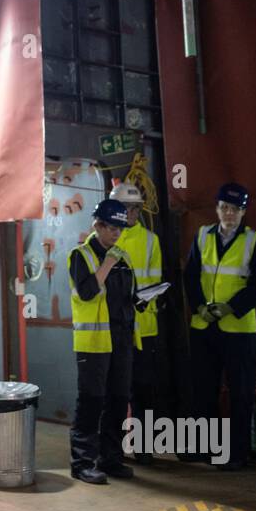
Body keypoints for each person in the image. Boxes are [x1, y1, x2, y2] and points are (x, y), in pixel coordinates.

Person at [185, 183, 256, 470]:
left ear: (243, 212)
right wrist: (200, 307)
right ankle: (201, 448)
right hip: (204, 326)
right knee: (203, 390)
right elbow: (191, 276)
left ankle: (236, 453)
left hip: (239, 330)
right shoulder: (202, 236)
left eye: (234, 209)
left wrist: (230, 307)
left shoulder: (254, 241)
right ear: (217, 209)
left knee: (240, 393)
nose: (228, 213)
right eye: (224, 208)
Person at [68, 199, 140, 484]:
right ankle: (82, 462)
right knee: (91, 401)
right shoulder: (81, 255)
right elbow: (86, 292)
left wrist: (141, 300)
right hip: (93, 342)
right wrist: (108, 262)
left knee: (119, 399)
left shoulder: (124, 257)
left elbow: (126, 295)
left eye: (120, 228)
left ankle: (111, 458)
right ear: (97, 225)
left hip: (121, 339)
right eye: (111, 228)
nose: (116, 234)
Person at [112, 182, 166, 463]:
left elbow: (155, 280)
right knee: (118, 392)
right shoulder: (107, 238)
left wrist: (149, 298)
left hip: (145, 327)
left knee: (145, 391)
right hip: (117, 329)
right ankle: (115, 448)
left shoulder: (150, 240)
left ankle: (144, 449)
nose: (132, 213)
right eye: (127, 208)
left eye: (136, 208)